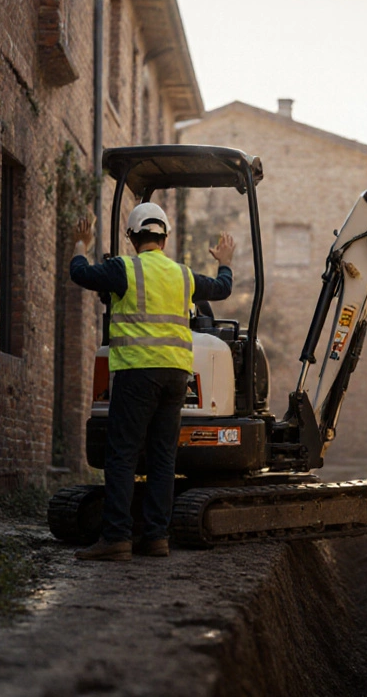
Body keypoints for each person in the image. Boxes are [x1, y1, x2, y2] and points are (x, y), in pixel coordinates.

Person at [69, 202, 236, 561]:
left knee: (123, 456)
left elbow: (80, 274)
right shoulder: (183, 275)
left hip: (136, 373)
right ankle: (157, 538)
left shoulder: (124, 268)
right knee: (163, 460)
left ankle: (116, 538)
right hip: (178, 375)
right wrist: (224, 261)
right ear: (165, 237)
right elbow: (221, 288)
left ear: (131, 236)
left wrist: (81, 244)